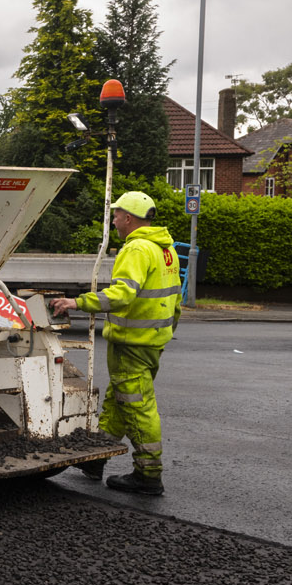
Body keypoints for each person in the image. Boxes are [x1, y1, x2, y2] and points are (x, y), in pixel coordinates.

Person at [51, 191, 182, 496]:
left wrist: (77, 302)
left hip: (131, 343)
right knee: (118, 402)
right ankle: (96, 459)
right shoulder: (166, 249)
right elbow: (174, 301)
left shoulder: (136, 249)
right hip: (151, 341)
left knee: (138, 407)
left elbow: (122, 295)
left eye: (116, 215)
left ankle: (148, 474)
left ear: (128, 217)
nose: (113, 220)